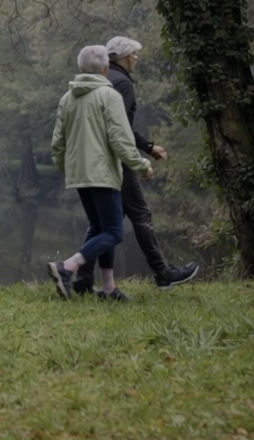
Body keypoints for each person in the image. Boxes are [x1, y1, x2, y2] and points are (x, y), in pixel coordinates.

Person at [70, 36, 199, 295]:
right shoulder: (123, 84)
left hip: (98, 159)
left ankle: (86, 280)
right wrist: (142, 159)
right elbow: (121, 129)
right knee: (140, 215)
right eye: (134, 54)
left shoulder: (106, 81)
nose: (137, 58)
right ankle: (163, 273)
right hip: (117, 159)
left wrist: (148, 147)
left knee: (105, 222)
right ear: (123, 58)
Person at [46, 45, 154, 301]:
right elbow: (121, 139)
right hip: (102, 173)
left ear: (81, 68)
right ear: (105, 68)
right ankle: (66, 267)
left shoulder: (67, 98)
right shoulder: (109, 96)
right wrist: (142, 165)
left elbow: (57, 142)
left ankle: (108, 287)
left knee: (100, 226)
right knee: (114, 232)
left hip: (79, 174)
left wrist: (66, 166)